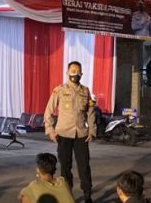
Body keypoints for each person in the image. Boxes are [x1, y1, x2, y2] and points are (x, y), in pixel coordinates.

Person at [44, 61, 96, 203]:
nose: (74, 73)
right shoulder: (59, 90)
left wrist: (92, 130)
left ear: (81, 74)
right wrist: (50, 130)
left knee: (84, 166)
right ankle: (67, 196)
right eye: (72, 70)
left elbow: (90, 112)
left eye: (77, 70)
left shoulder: (85, 91)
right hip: (63, 134)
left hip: (81, 135)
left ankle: (87, 195)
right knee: (65, 168)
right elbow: (48, 110)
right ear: (67, 73)